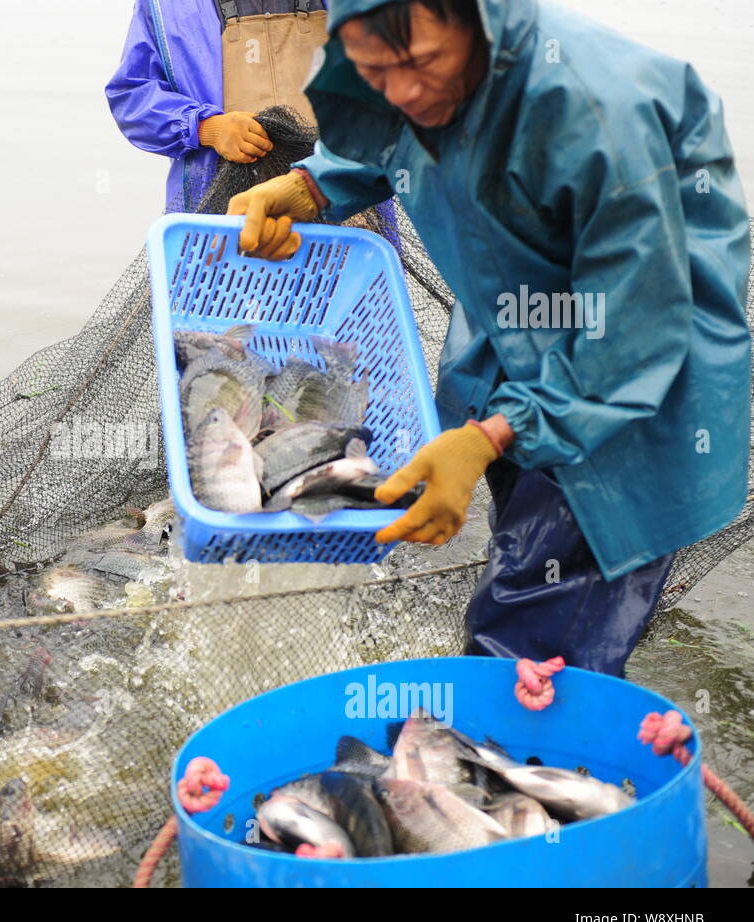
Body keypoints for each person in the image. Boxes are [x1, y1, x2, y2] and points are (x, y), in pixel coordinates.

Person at [227, 0, 751, 676]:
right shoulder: (402, 67)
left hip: (627, 412)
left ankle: (543, 749)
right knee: (520, 582)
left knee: (529, 653)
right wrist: (306, 187)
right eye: (377, 70)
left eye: (423, 64)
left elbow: (636, 335)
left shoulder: (594, 115)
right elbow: (385, 130)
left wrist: (485, 439)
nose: (405, 92)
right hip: (511, 350)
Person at [107, 1, 332, 214]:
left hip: (335, 193)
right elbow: (131, 94)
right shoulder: (162, 5)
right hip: (217, 209)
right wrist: (205, 127)